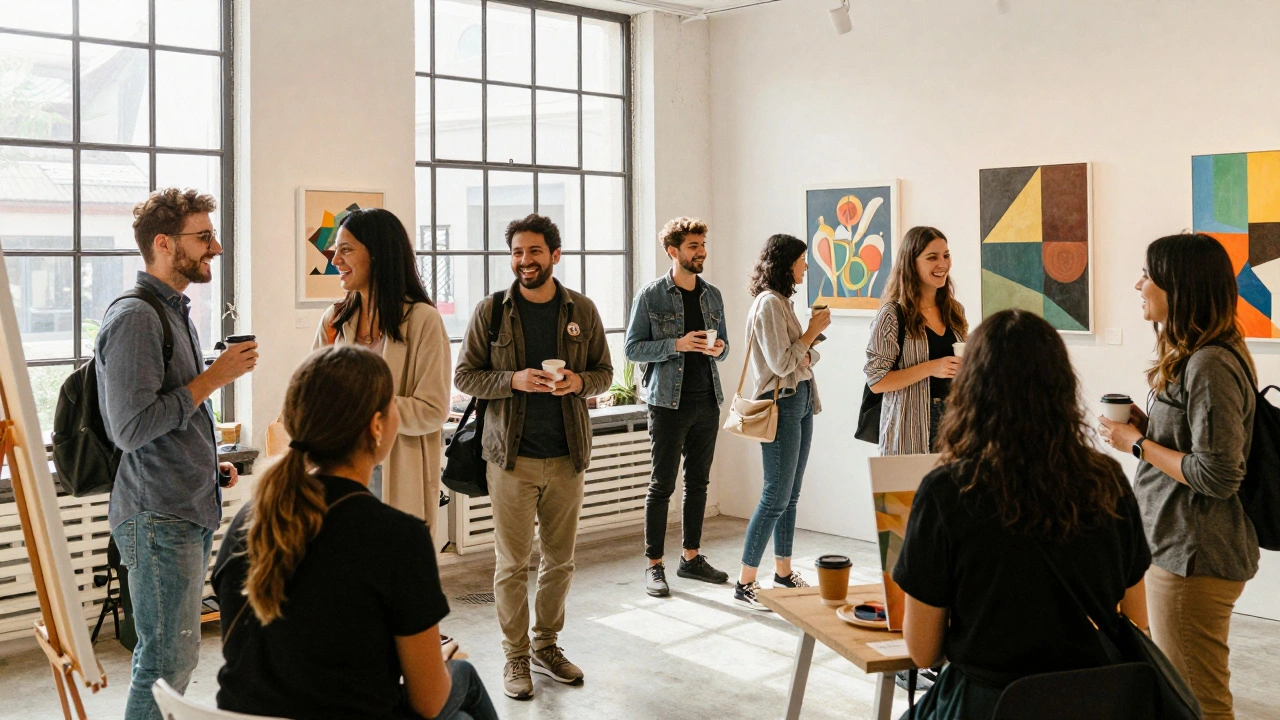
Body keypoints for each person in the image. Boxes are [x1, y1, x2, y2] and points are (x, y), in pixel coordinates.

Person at [212, 346, 497, 720]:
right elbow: (428, 701)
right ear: (376, 426)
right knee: (462, 679)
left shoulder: (251, 520)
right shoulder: (397, 538)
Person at [896, 310, 1151, 719]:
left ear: (971, 390)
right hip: (1091, 703)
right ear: (1062, 387)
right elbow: (1136, 624)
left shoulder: (947, 492)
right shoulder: (1107, 482)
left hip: (988, 705)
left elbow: (922, 650)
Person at [97, 188, 258, 720]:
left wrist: (208, 465)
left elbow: (169, 412)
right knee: (165, 662)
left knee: (176, 657)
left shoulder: (173, 311)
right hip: (156, 514)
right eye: (204, 236)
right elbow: (130, 427)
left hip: (180, 505)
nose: (215, 247)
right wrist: (216, 377)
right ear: (164, 244)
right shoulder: (136, 318)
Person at [1099, 233, 1259, 720]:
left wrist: (1139, 445)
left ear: (1179, 285)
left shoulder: (1209, 363)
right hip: (1180, 547)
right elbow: (1199, 447)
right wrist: (1149, 432)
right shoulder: (1198, 356)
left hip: (1196, 556)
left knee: (1199, 700)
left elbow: (1218, 474)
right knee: (1183, 690)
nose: (1137, 284)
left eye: (1148, 275)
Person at [454, 214, 613, 700]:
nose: (525, 262)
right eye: (518, 253)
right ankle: (515, 657)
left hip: (567, 455)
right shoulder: (492, 312)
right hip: (510, 458)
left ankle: (547, 647)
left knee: (560, 561)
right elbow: (465, 377)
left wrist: (579, 383)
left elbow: (605, 371)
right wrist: (513, 381)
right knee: (511, 563)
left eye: (535, 252)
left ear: (554, 256)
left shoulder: (581, 310)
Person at [312, 207, 451, 538]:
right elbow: (313, 396)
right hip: (337, 476)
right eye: (336, 250)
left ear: (378, 255)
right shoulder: (334, 320)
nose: (335, 260)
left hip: (398, 475)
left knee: (393, 577)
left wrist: (364, 407)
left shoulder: (422, 320)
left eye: (346, 250)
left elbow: (433, 411)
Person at [624, 217, 731, 598]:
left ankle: (691, 557)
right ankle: (654, 565)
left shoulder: (712, 295)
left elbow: (725, 346)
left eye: (702, 245)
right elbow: (633, 349)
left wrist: (718, 349)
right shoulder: (651, 295)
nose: (701, 252)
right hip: (667, 404)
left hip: (707, 401)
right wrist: (677, 345)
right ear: (673, 251)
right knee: (662, 485)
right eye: (693, 247)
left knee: (698, 483)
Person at [733, 234, 831, 611]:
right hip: (783, 404)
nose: (806, 266)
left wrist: (806, 343)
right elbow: (783, 363)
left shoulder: (783, 303)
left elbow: (804, 359)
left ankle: (784, 572)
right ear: (786, 263)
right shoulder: (770, 304)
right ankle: (745, 583)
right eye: (802, 260)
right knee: (775, 495)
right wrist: (808, 335)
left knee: (790, 496)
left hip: (801, 400)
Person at [864, 226, 967, 455]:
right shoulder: (892, 314)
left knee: (953, 491)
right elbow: (876, 379)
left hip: (955, 423)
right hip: (909, 427)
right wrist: (932, 367)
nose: (943, 264)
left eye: (946, 256)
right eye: (932, 257)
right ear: (911, 263)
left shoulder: (954, 311)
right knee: (908, 492)